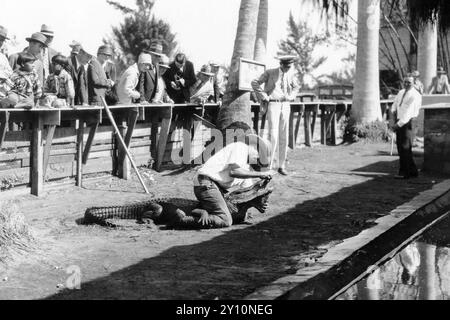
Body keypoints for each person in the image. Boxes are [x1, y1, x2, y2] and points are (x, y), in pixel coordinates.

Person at [178, 125, 273, 229]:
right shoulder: (240, 147)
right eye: (259, 153)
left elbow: (247, 193)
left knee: (240, 216)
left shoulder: (245, 167)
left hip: (213, 187)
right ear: (253, 146)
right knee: (226, 220)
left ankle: (200, 215)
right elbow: (234, 171)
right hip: (206, 183)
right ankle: (184, 221)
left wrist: (257, 202)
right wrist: (260, 174)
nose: (258, 158)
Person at [251, 55, 300, 176]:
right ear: (281, 64)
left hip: (286, 105)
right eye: (286, 66)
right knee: (273, 135)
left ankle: (281, 165)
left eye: (290, 66)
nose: (288, 69)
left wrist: (291, 96)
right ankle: (269, 165)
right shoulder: (270, 72)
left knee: (284, 136)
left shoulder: (291, 74)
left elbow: (296, 87)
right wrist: (263, 96)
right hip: (273, 105)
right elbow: (255, 82)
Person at [390, 75, 421, 179]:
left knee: (405, 147)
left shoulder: (415, 95)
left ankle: (405, 172)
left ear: (414, 83)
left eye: (409, 82)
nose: (407, 84)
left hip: (408, 122)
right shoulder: (401, 92)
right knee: (401, 147)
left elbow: (408, 113)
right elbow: (395, 104)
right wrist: (393, 111)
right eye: (405, 82)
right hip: (400, 121)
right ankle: (413, 171)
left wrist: (397, 125)